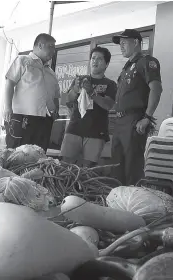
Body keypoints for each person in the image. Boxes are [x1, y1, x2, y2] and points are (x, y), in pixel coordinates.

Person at [111, 29, 163, 186]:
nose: (121, 46)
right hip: (119, 121)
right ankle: (117, 202)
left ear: (136, 42)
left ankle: (132, 204)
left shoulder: (146, 61)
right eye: (120, 44)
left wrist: (147, 117)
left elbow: (156, 89)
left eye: (124, 43)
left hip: (134, 120)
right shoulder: (126, 67)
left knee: (132, 166)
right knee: (117, 166)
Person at [60, 46, 117, 167]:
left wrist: (92, 92)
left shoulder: (110, 84)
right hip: (74, 129)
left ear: (106, 64)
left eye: (99, 59)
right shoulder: (79, 79)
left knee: (87, 171)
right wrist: (75, 89)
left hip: (96, 133)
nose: (95, 61)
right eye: (93, 58)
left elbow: (108, 105)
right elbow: (65, 100)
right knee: (64, 167)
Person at [3, 33, 60, 152]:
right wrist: (7, 107)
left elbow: (55, 95)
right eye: (51, 46)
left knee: (37, 156)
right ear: (40, 45)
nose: (53, 51)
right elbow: (10, 83)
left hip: (44, 121)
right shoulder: (23, 60)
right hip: (22, 118)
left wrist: (56, 110)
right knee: (16, 155)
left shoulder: (51, 72)